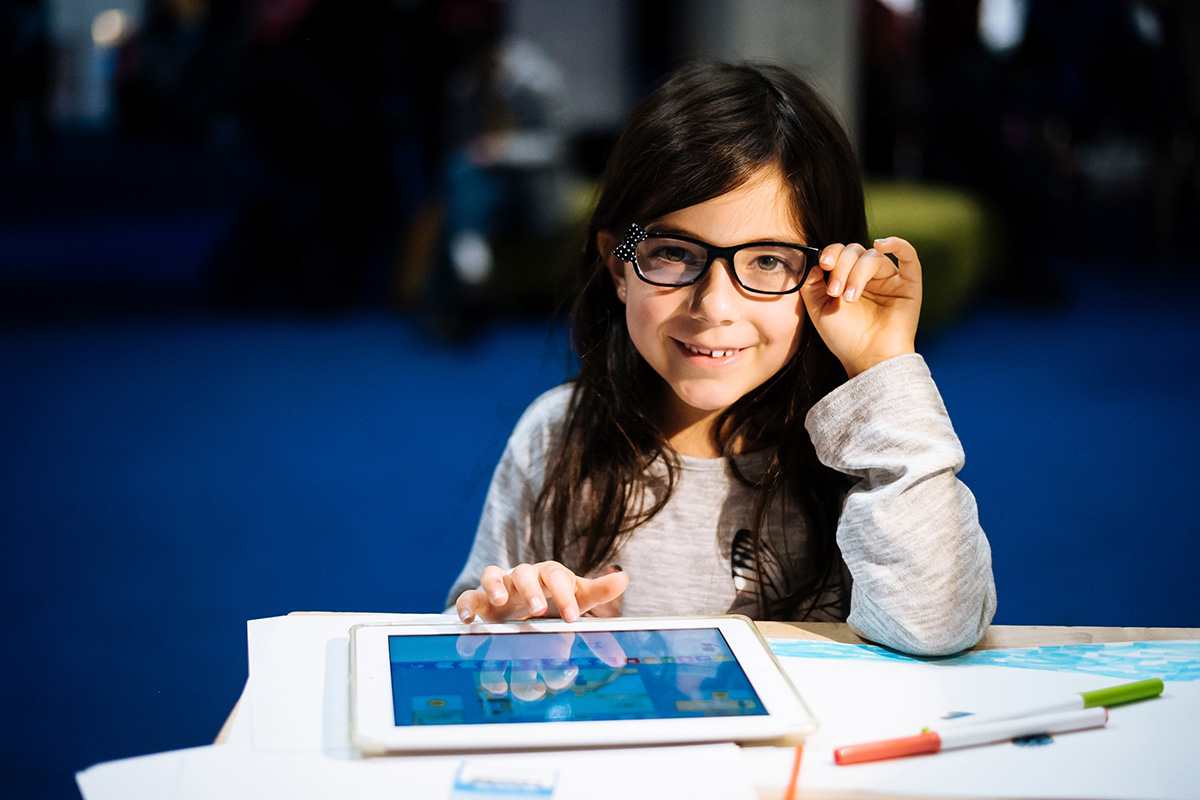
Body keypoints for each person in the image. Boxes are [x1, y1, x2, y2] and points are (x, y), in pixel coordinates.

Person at [446, 61, 996, 657]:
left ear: (829, 272)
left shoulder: (861, 448)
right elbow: (472, 632)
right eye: (674, 252)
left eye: (767, 261)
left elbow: (938, 624)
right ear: (617, 266)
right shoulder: (557, 438)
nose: (713, 305)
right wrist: (520, 622)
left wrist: (883, 367)